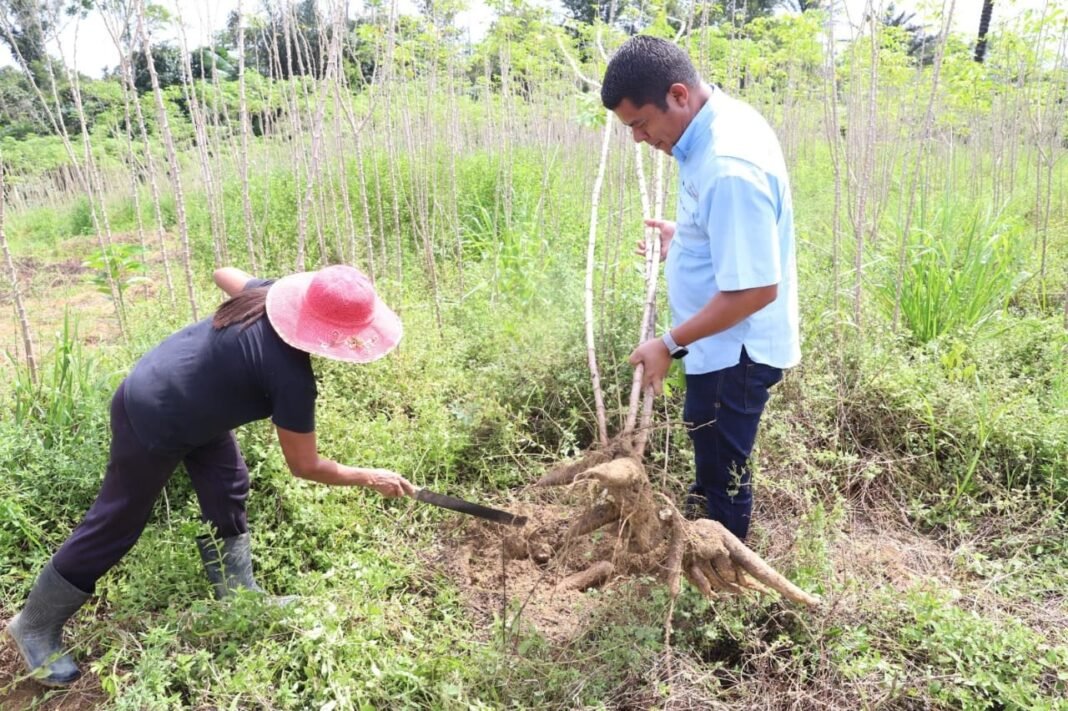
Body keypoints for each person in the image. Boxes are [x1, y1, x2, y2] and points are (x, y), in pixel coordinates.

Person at [4, 264, 416, 687]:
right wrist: (370, 476)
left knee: (229, 484)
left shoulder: (269, 297)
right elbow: (305, 466)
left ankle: (238, 597)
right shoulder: (292, 378)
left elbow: (223, 273)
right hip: (151, 413)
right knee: (117, 522)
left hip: (189, 399)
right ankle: (33, 626)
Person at [601, 36, 800, 542]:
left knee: (724, 470)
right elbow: (725, 228)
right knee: (707, 441)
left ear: (679, 95)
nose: (639, 139)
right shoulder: (708, 128)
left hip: (737, 353)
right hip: (719, 344)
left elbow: (755, 290)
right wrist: (687, 240)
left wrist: (668, 344)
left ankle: (721, 569)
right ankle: (697, 527)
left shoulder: (730, 164)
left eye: (641, 123)